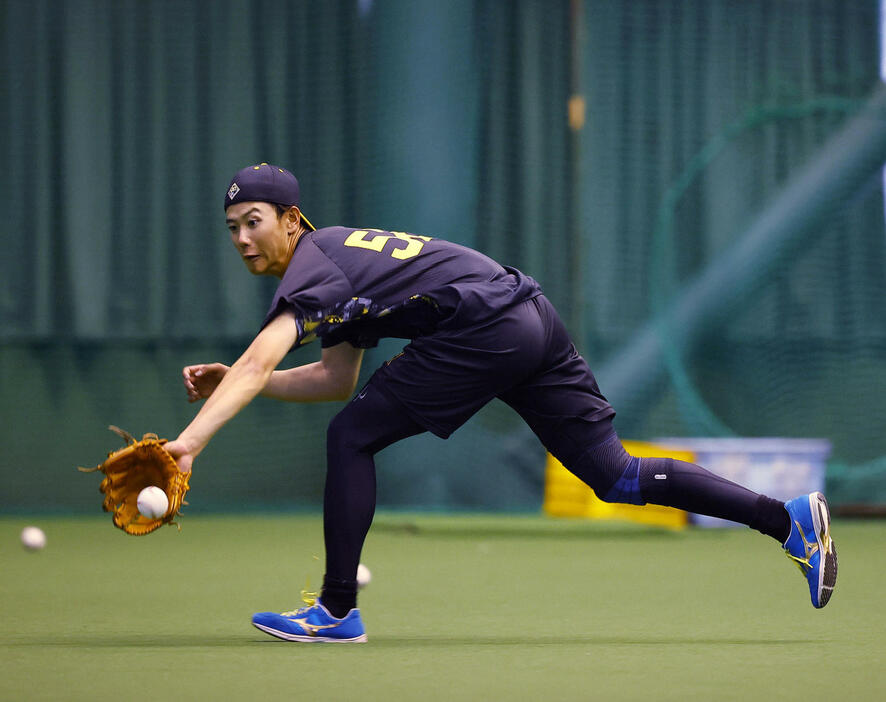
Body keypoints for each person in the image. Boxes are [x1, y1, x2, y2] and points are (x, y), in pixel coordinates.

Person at [164, 163, 837, 644]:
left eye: (253, 222)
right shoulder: (333, 265)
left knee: (351, 438)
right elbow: (332, 377)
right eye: (231, 229)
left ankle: (338, 611)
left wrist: (189, 443)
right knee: (615, 475)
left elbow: (260, 359)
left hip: (483, 326)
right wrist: (237, 385)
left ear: (290, 219)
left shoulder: (314, 264)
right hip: (526, 314)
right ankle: (788, 521)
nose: (243, 239)